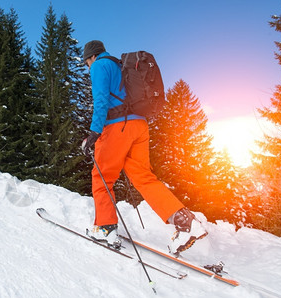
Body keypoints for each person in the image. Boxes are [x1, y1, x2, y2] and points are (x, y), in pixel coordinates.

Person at [81, 40, 207, 254]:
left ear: (91, 57)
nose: (88, 67)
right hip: (139, 126)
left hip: (117, 127)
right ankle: (185, 222)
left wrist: (94, 132)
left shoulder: (100, 66)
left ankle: (104, 227)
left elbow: (101, 99)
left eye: (86, 63)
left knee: (102, 176)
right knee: (143, 176)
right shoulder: (121, 65)